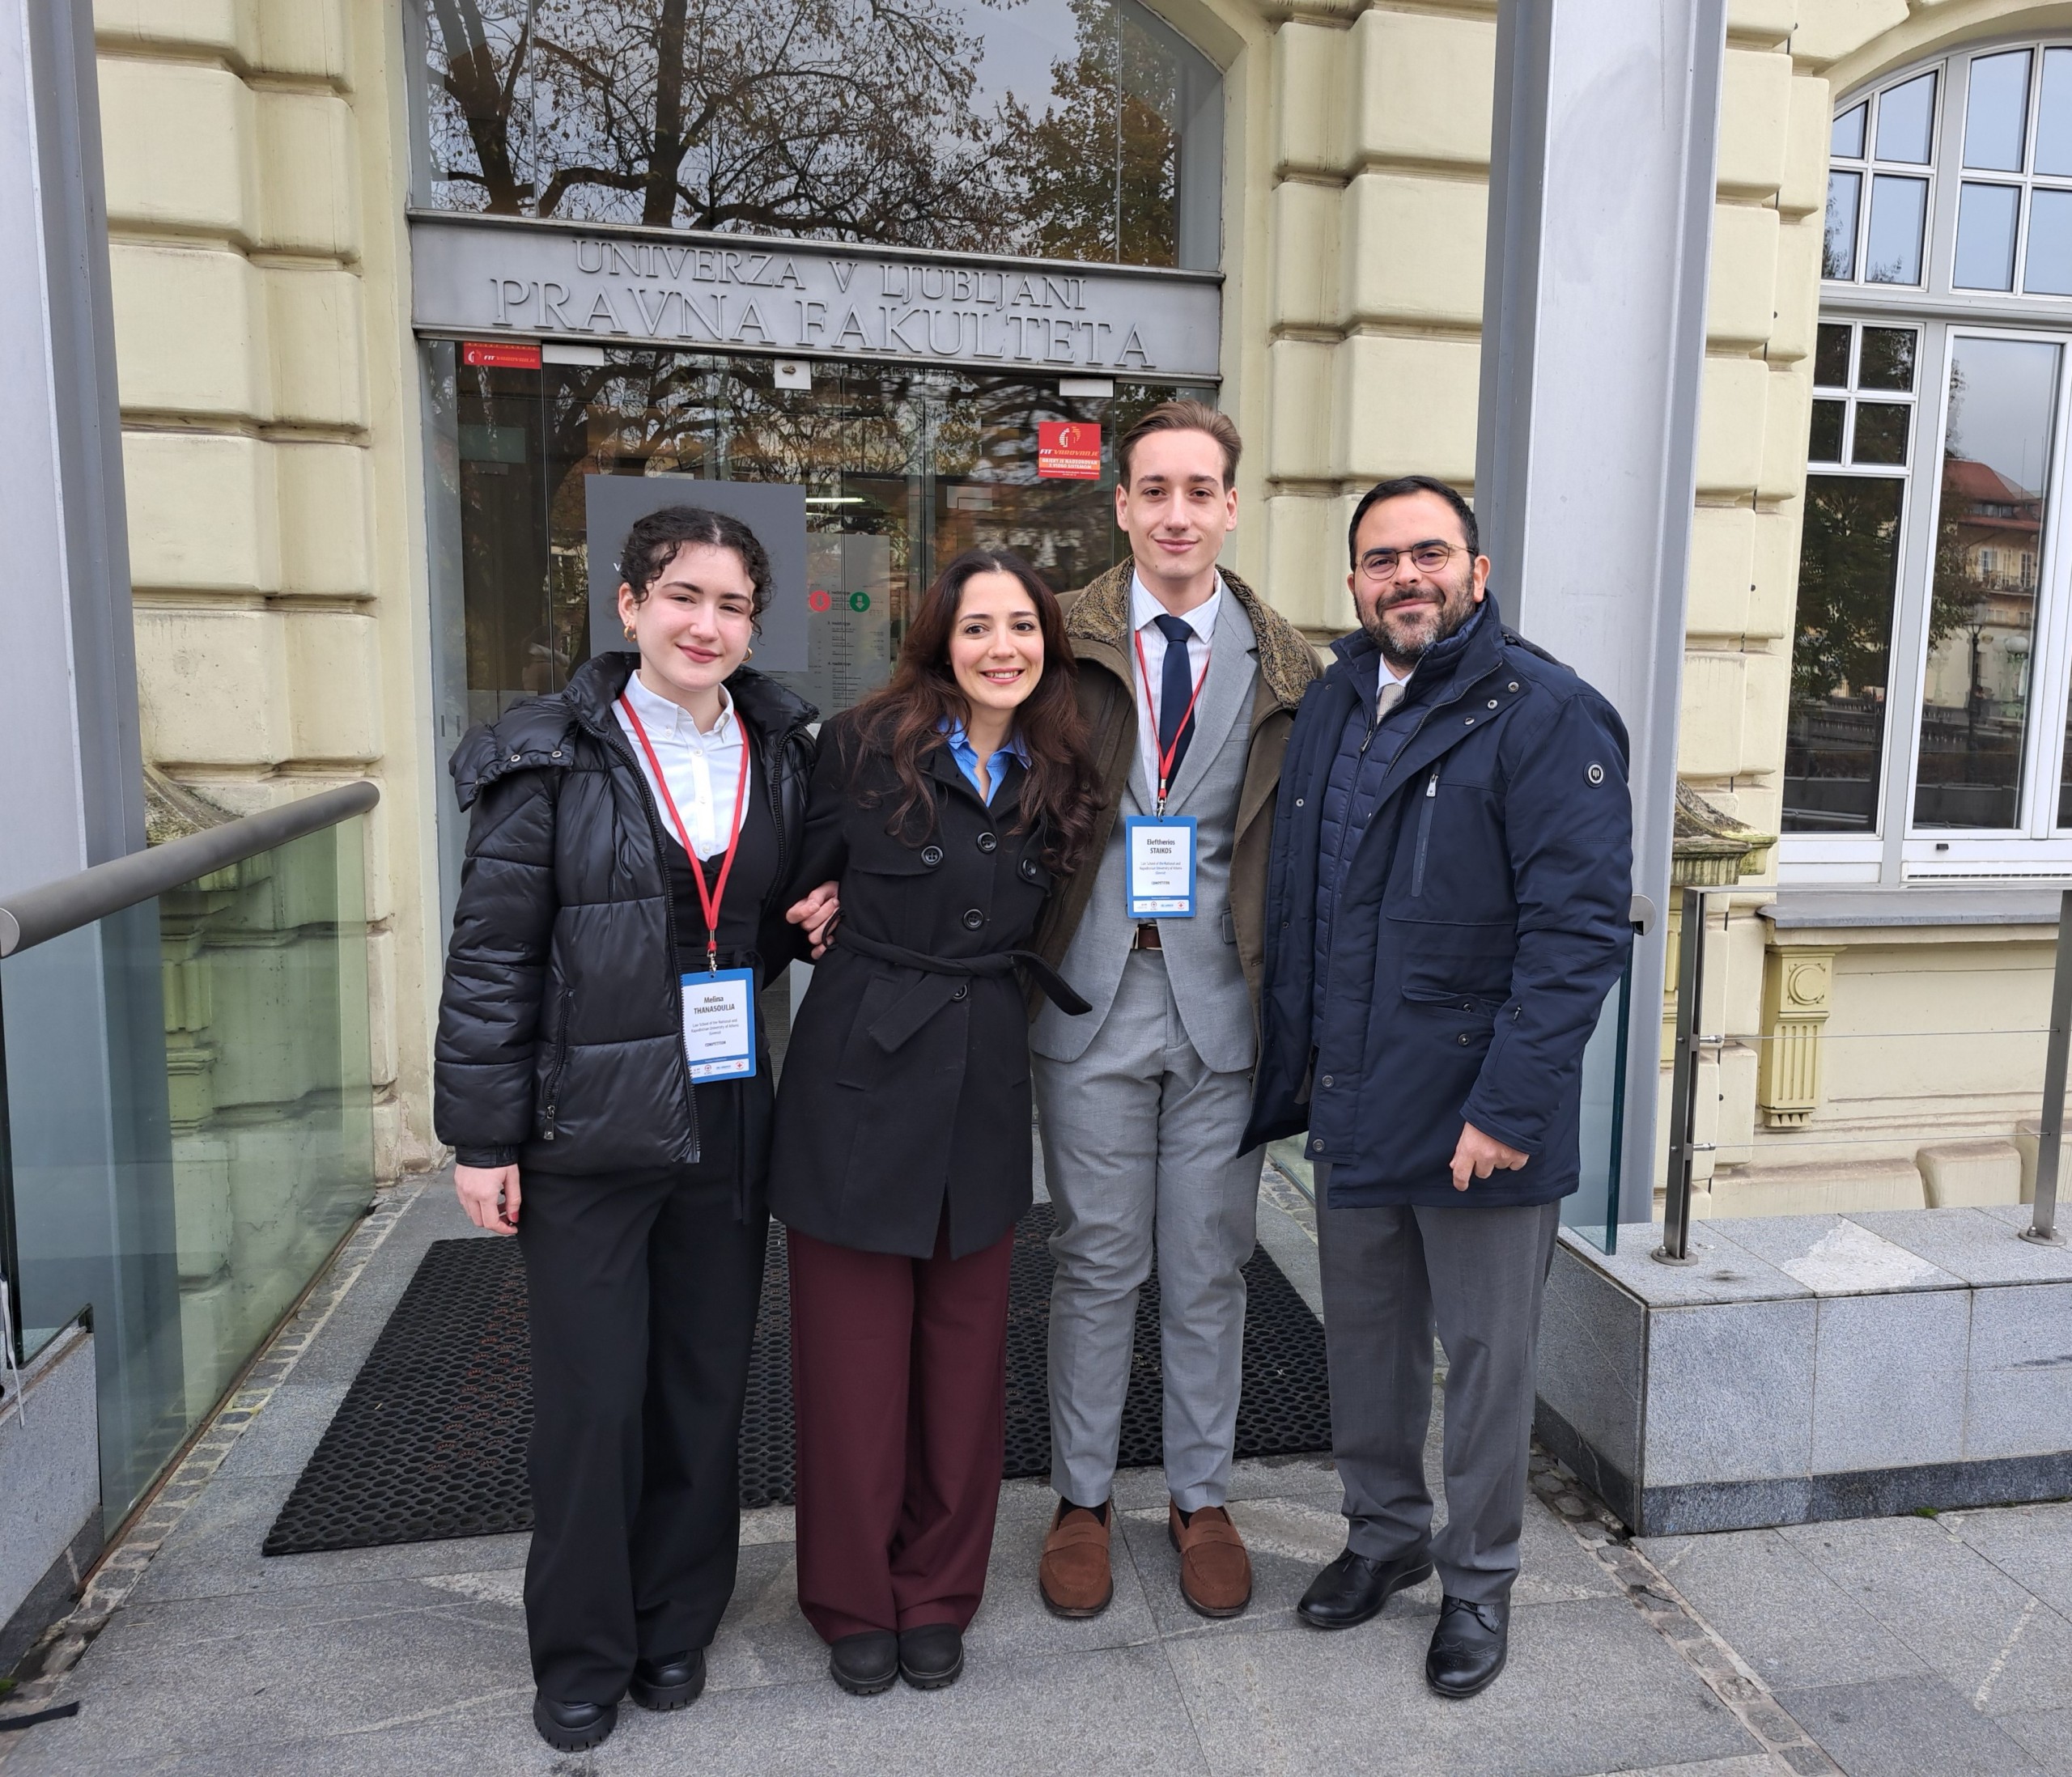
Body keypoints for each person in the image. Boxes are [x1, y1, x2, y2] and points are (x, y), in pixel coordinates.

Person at [433, 506, 828, 1753]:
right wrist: (481, 1137)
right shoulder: (544, 755)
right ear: (628, 604)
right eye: (682, 597)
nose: (705, 625)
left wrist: (802, 919)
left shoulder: (783, 746)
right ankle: (584, 1652)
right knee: (595, 1400)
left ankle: (675, 1623)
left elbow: (738, 925)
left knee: (705, 1385)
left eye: (730, 605)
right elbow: (492, 957)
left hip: (725, 1109)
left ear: (754, 623)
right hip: (586, 1126)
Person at [1243, 475, 1633, 1699]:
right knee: (1365, 1344)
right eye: (1379, 560)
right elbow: (1309, 901)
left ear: (1475, 566)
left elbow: (1577, 936)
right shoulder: (1336, 701)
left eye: (1428, 553)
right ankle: (1384, 1538)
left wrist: (1508, 1112)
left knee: (1483, 1358)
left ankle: (1479, 1582)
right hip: (1357, 1093)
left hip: (1477, 1111)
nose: (1404, 576)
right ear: (1353, 582)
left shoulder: (1550, 713)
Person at [768, 549, 1100, 1698]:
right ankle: (853, 1597)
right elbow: (794, 884)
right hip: (861, 1071)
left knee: (964, 1366)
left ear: (1048, 642)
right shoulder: (862, 743)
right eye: (976, 627)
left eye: (1021, 626)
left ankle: (938, 1591)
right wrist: (820, 905)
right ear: (937, 640)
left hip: (984, 1077)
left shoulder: (1061, 763)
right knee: (853, 1367)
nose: (1001, 646)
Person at [1025, 401, 1320, 1621]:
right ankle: (1082, 1499)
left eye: (1201, 490)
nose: (1178, 512)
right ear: (1122, 506)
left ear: (1232, 505)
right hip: (1088, 997)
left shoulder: (1296, 666)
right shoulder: (1053, 640)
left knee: (1210, 1265)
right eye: (1155, 490)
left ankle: (1201, 1495)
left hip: (1222, 1009)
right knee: (1095, 1260)